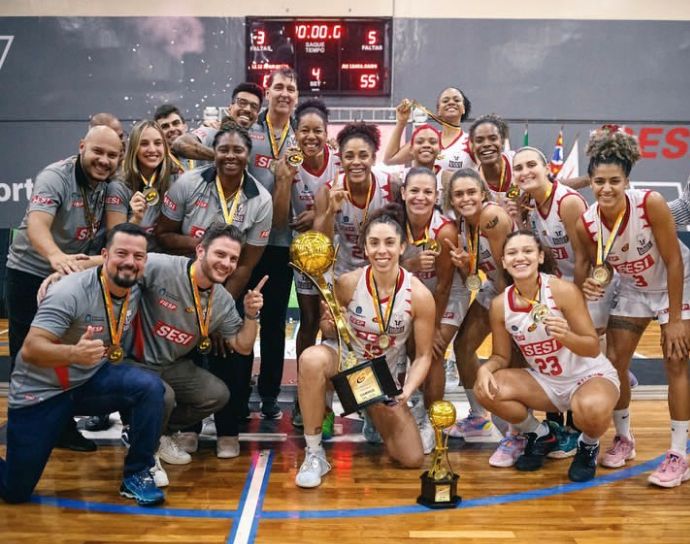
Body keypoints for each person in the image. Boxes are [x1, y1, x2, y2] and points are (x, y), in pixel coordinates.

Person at [0, 224, 166, 506]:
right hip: (43, 391)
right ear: (105, 255)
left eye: (138, 256)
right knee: (15, 491)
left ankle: (137, 473)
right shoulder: (69, 291)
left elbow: (193, 265)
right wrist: (73, 354)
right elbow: (29, 350)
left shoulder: (135, 281)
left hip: (89, 382)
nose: (130, 262)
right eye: (121, 253)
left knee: (150, 387)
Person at [575, 129, 690, 488]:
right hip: (633, 289)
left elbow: (673, 261)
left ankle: (678, 453)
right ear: (590, 182)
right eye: (598, 181)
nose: (606, 188)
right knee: (614, 363)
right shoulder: (587, 222)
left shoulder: (650, 204)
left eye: (614, 181)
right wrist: (596, 280)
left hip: (676, 283)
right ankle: (624, 438)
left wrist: (674, 320)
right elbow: (602, 265)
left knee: (676, 360)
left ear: (627, 180)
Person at [295, 205, 435, 488]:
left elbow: (423, 356)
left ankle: (372, 415)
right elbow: (326, 330)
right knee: (311, 359)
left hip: (380, 382)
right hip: (346, 365)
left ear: (402, 246)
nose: (382, 250)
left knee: (411, 458)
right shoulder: (348, 284)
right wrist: (329, 324)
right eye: (374, 243)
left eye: (389, 243)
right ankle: (314, 454)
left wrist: (406, 392)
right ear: (365, 248)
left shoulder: (419, 295)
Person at [154, 124, 272, 458]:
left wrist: (221, 308)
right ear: (213, 152)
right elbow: (163, 234)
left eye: (238, 150)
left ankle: (228, 430)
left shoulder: (260, 200)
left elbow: (246, 264)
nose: (231, 156)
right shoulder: (188, 184)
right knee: (188, 352)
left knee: (231, 350)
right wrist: (204, 246)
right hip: (184, 285)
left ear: (248, 155)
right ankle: (187, 429)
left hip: (230, 288)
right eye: (224, 149)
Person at [4, 125, 122, 452]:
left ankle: (61, 428)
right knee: (26, 357)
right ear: (82, 146)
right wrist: (56, 257)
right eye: (97, 151)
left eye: (112, 155)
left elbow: (116, 234)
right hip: (30, 272)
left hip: (72, 276)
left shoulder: (112, 185)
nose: (104, 160)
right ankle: (25, 429)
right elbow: (37, 225)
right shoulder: (54, 176)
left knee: (65, 353)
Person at [474, 231, 620, 482]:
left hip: (588, 377)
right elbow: (501, 355)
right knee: (485, 389)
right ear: (504, 261)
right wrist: (485, 368)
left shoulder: (563, 291)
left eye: (527, 251)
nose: (520, 257)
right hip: (546, 382)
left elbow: (592, 347)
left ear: (540, 257)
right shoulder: (500, 305)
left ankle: (588, 445)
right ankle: (541, 434)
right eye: (512, 253)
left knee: (591, 409)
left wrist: (567, 337)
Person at [134, 224, 266, 475]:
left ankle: (157, 434)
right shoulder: (162, 266)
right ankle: (146, 457)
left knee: (216, 394)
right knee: (164, 395)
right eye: (220, 254)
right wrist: (68, 269)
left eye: (233, 259)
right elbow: (117, 264)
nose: (226, 263)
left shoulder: (223, 301)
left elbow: (243, 346)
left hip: (170, 365)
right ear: (201, 251)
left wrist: (251, 315)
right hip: (135, 362)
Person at [276, 98, 341, 428]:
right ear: (295, 132)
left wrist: (317, 213)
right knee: (311, 320)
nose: (311, 136)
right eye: (305, 130)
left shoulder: (340, 161)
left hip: (340, 251)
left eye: (318, 130)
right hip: (305, 252)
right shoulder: (287, 161)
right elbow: (278, 214)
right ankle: (305, 398)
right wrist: (285, 179)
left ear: (327, 133)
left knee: (340, 326)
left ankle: (338, 398)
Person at [442, 169, 513, 443]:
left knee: (510, 355)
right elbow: (473, 276)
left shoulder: (489, 217)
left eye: (471, 192)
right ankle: (479, 418)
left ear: (483, 194)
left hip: (515, 291)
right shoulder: (461, 224)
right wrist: (463, 267)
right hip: (493, 287)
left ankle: (520, 428)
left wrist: (508, 316)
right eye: (459, 194)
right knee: (463, 346)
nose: (465, 198)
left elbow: (508, 271)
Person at [105, 120, 176, 238]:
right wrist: (136, 219)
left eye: (158, 143)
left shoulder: (176, 180)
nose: (152, 149)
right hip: (133, 253)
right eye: (144, 144)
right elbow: (114, 241)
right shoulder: (119, 187)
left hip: (167, 254)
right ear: (134, 149)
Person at [383, 87, 475, 173]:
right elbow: (389, 159)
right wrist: (401, 122)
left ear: (463, 109)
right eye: (445, 101)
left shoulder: (470, 141)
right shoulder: (427, 139)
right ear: (438, 111)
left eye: (456, 100)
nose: (451, 103)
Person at [170, 82, 264, 165]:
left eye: (254, 106)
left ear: (257, 114)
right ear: (230, 108)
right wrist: (221, 156)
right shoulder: (212, 131)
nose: (248, 109)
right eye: (242, 103)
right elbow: (180, 144)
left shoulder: (262, 136)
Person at [469, 114, 515, 202]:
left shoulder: (518, 162)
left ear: (502, 142)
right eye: (479, 140)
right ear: (473, 146)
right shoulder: (472, 181)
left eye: (493, 138)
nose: (486, 144)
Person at [153, 104, 196, 173]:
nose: (172, 129)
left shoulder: (203, 155)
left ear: (185, 126)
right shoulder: (155, 164)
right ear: (158, 133)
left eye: (176, 123)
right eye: (165, 126)